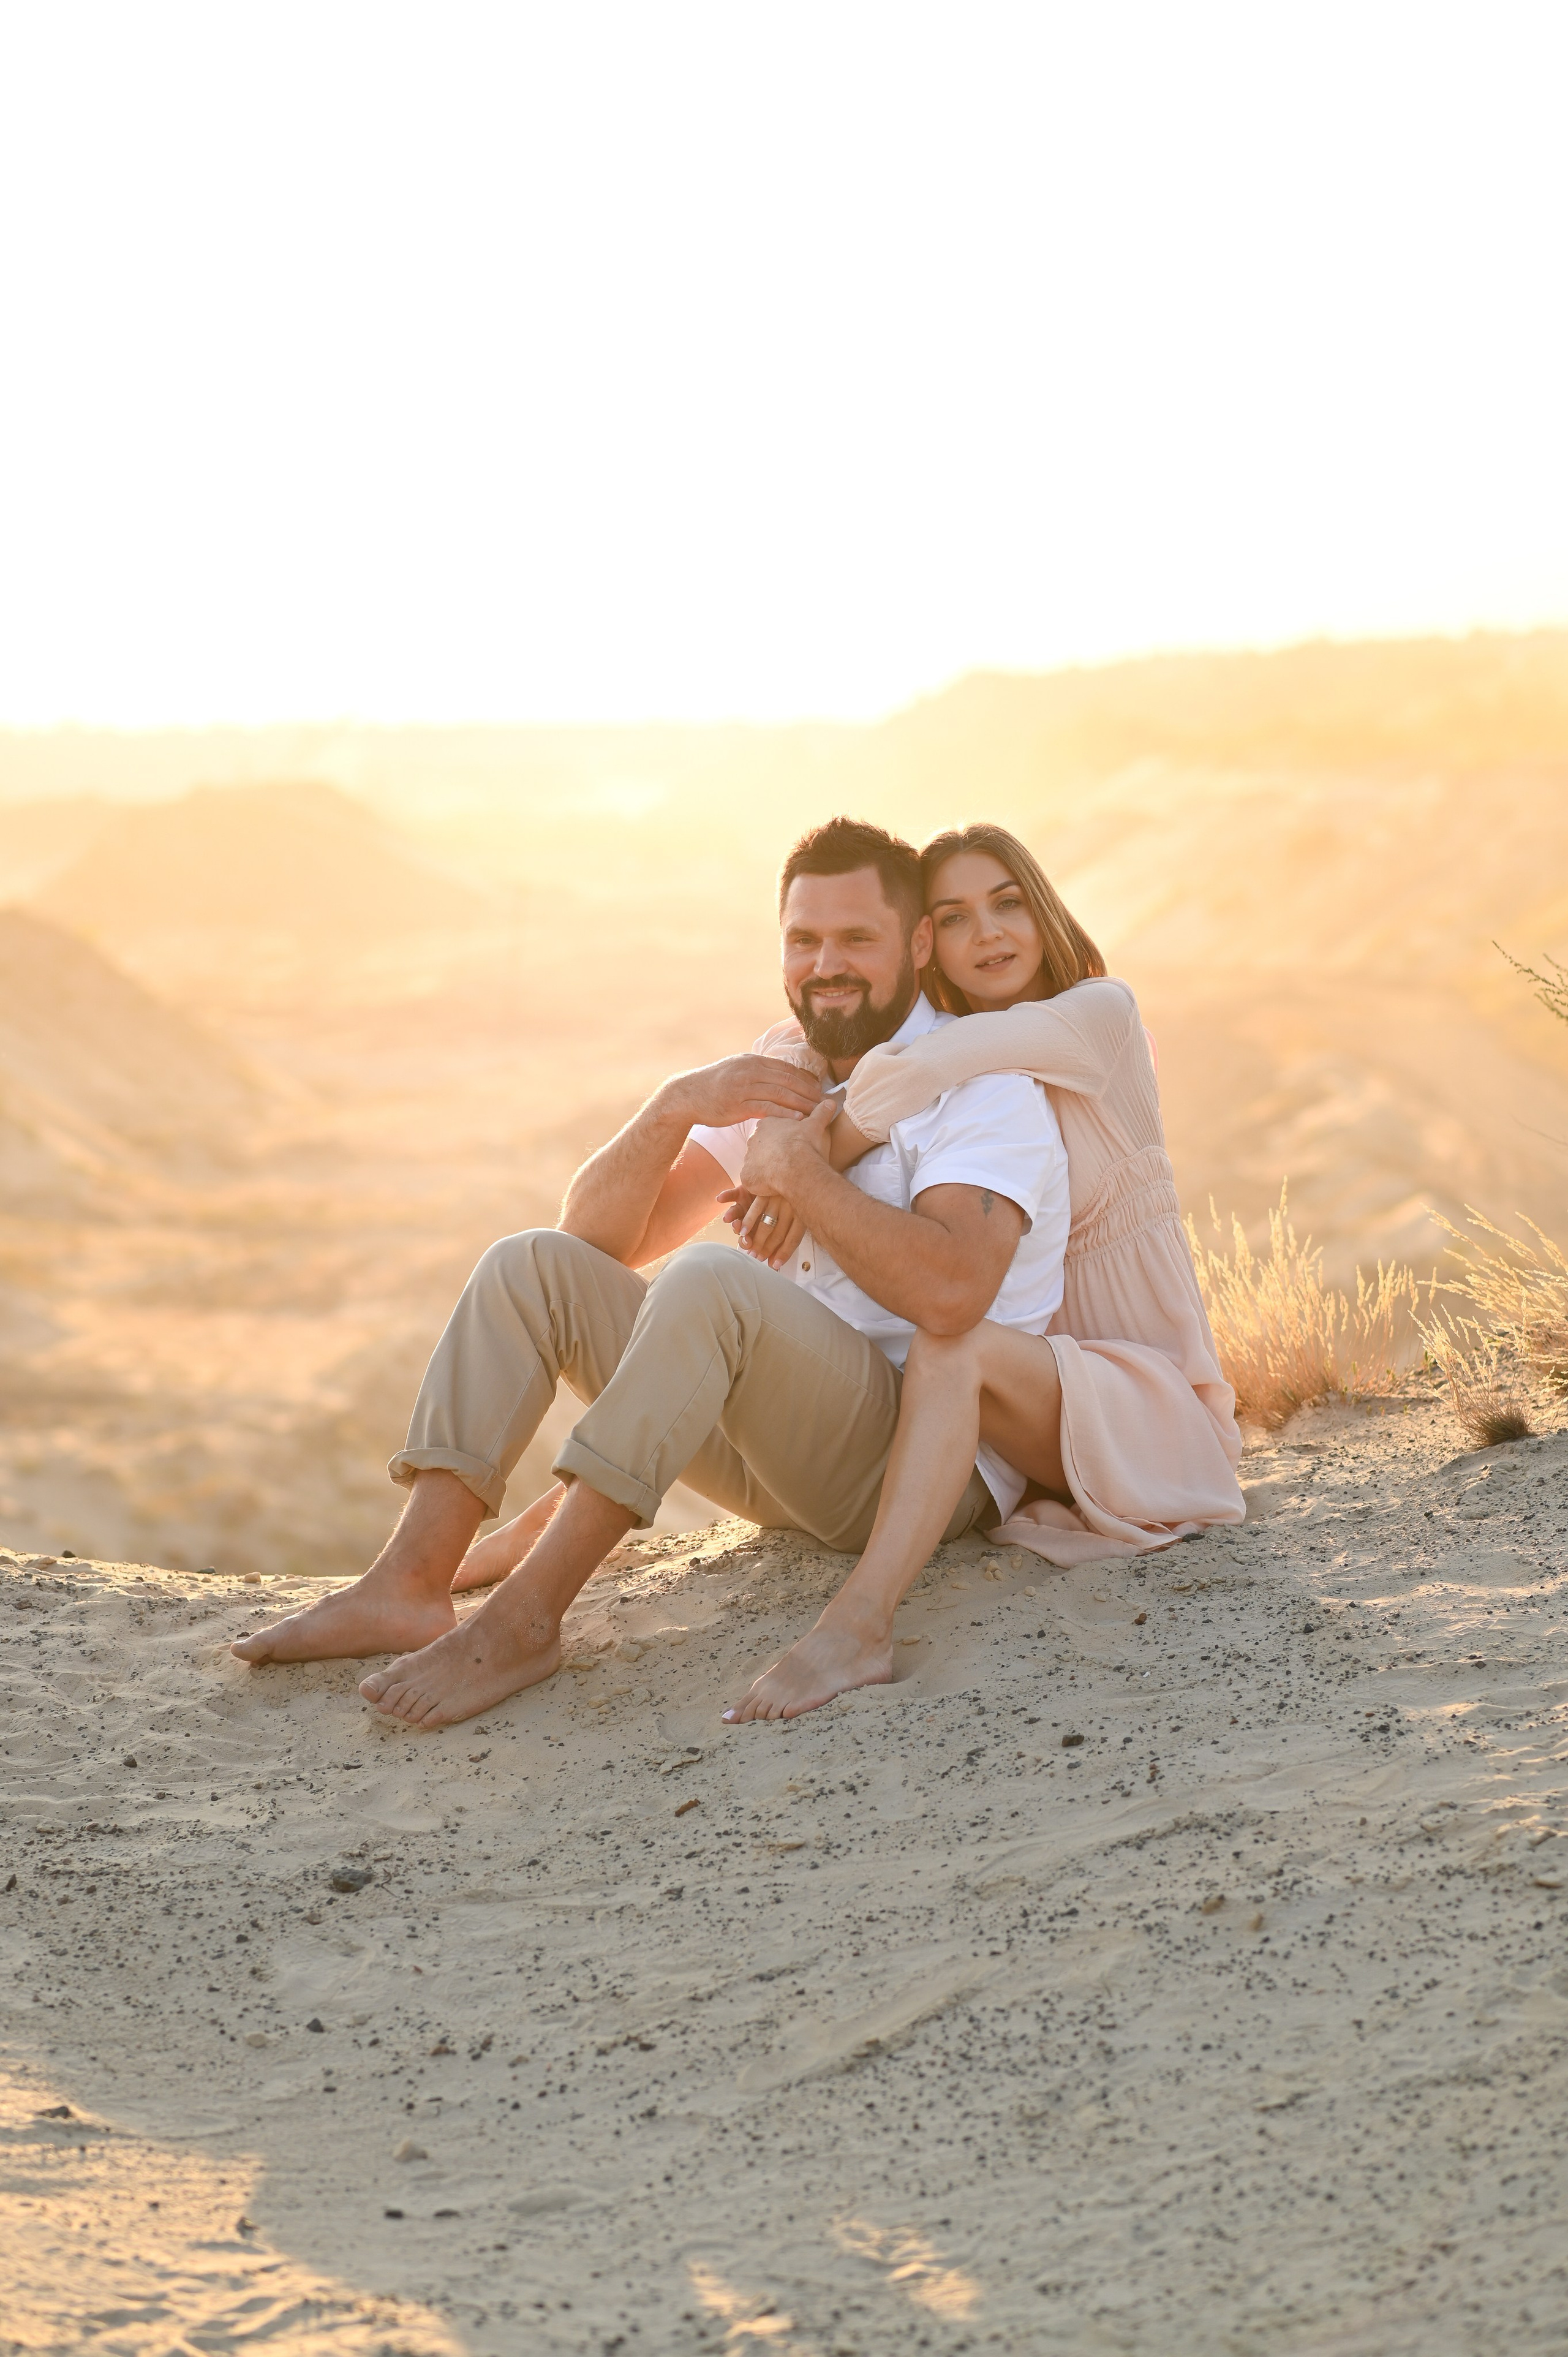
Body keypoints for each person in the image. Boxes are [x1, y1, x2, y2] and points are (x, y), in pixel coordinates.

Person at [231, 818, 1069, 1730]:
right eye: (804, 940)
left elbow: (954, 1295)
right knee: (530, 1265)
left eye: (857, 939)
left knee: (709, 1284)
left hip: (912, 1471)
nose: (826, 965)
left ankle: (525, 1620)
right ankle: (409, 1583)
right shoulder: (789, 1069)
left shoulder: (979, 1087)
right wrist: (674, 1107)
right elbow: (597, 1241)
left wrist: (801, 1176)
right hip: (781, 1460)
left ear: (917, 944)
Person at [722, 820, 1244, 1719]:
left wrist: (798, 1163)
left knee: (951, 1340)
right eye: (956, 917)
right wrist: (792, 1092)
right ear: (930, 942)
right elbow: (821, 1049)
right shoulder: (972, 1068)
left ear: (1044, 911)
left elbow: (916, 1070)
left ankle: (859, 1625)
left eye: (1007, 904)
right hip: (1036, 1413)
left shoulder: (1098, 1016)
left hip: (1148, 1406)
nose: (989, 934)